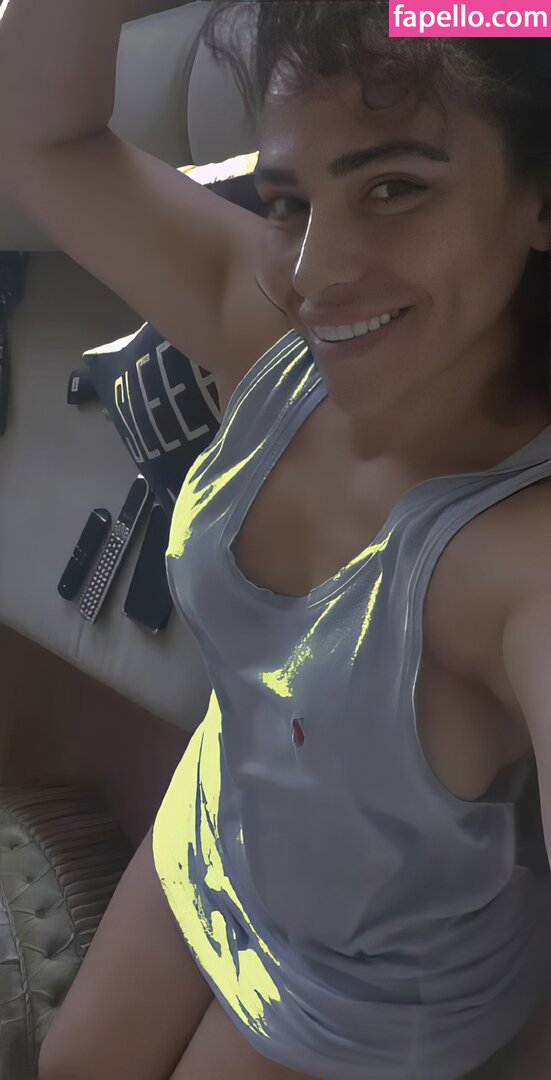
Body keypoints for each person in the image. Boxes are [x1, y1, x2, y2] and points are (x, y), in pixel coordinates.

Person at [1, 0, 549, 1077]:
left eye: (394, 187)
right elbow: (36, 134)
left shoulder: (520, 563)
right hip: (219, 817)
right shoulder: (272, 340)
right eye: (289, 202)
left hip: (367, 987)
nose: (312, 274)